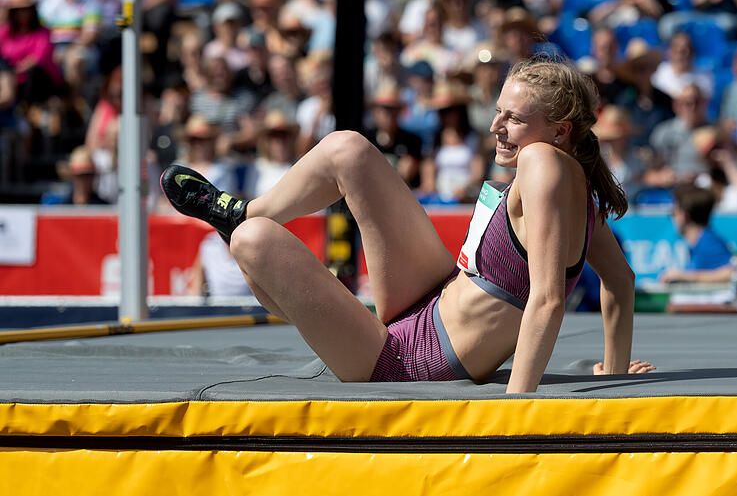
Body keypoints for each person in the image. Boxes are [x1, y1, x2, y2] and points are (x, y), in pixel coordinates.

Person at [160, 57, 653, 390]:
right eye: (498, 112)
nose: (495, 127)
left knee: (255, 244)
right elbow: (621, 282)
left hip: (403, 362)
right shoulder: (578, 193)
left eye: (513, 119)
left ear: (559, 130)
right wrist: (613, 369)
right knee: (346, 148)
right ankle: (240, 210)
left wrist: (515, 416)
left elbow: (547, 299)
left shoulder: (542, 163)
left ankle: (248, 234)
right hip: (435, 294)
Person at [659, 184, 733, 284]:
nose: (672, 218)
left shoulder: (707, 242)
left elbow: (732, 273)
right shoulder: (699, 242)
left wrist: (683, 276)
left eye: (673, 213)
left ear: (683, 216)